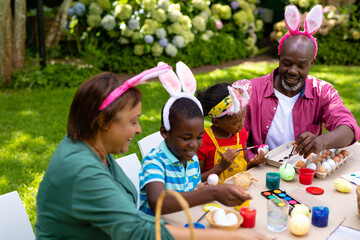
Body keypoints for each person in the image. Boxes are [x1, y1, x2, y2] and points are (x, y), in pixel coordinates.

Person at [35, 67, 270, 240]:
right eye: (133, 121)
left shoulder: (93, 150)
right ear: (104, 122)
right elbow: (138, 230)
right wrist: (234, 237)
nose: (138, 129)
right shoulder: (80, 170)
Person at [244, 5, 360, 159]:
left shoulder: (322, 92)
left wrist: (322, 141)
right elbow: (235, 138)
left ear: (312, 63)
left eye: (301, 65)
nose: (292, 70)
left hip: (302, 169)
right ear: (278, 58)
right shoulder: (251, 90)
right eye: (286, 63)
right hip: (259, 169)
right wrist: (252, 160)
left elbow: (349, 128)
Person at [139, 62, 254, 217]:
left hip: (186, 221)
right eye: (186, 138)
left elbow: (189, 190)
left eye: (199, 136)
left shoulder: (191, 160)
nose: (194, 145)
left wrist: (198, 189)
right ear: (165, 132)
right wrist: (211, 193)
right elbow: (158, 203)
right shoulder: (154, 162)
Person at [196, 81, 265, 183]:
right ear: (216, 122)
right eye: (236, 122)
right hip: (214, 195)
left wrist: (253, 163)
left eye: (243, 118)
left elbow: (244, 166)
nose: (242, 125)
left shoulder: (240, 133)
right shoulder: (203, 141)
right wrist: (221, 166)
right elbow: (196, 180)